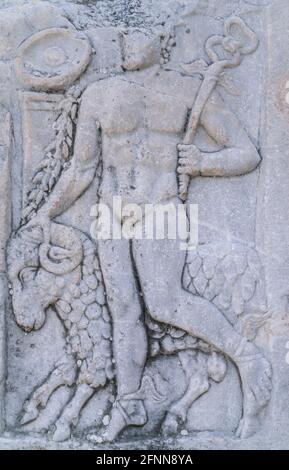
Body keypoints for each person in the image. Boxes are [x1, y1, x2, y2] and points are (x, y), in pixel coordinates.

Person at [29, 29, 272, 440]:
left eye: (135, 34)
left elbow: (246, 153)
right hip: (111, 211)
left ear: (163, 40)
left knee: (165, 302)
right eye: (119, 37)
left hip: (160, 209)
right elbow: (81, 169)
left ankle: (247, 357)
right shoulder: (99, 94)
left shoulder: (188, 91)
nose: (124, 42)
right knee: (122, 311)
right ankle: (129, 403)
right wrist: (45, 214)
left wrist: (202, 162)